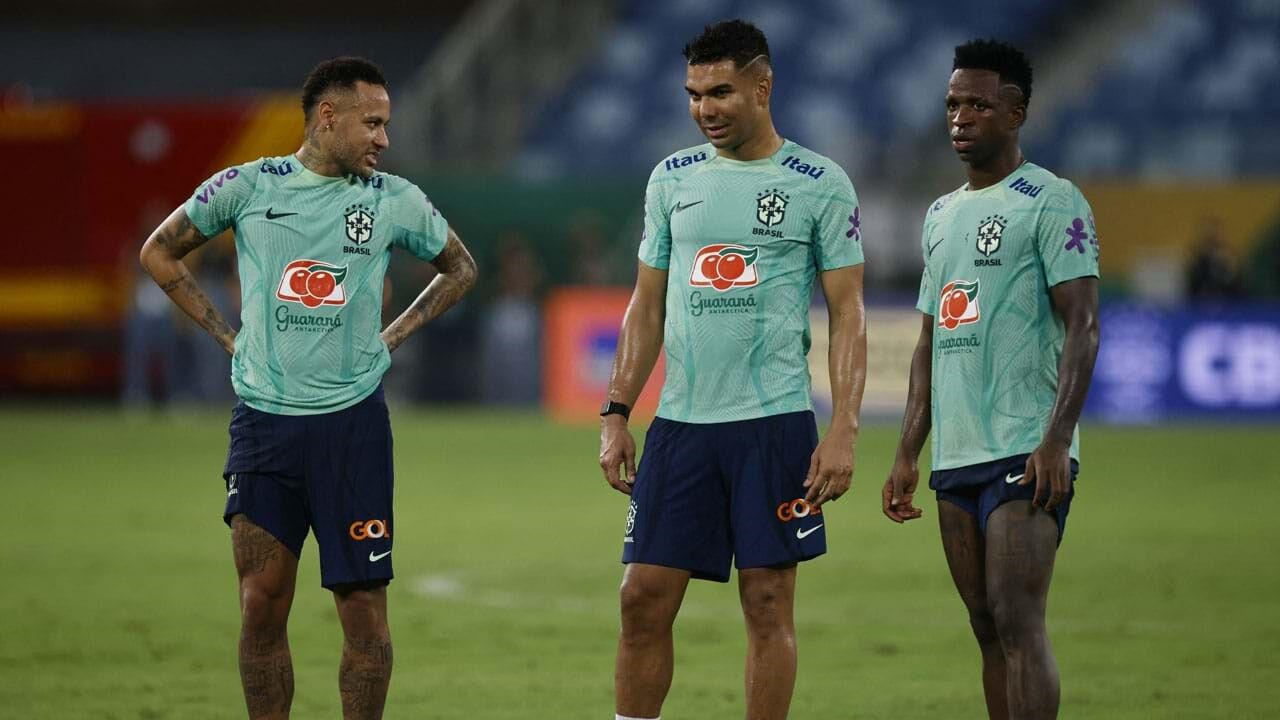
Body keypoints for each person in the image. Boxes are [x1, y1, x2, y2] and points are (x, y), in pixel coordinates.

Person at [139, 57, 477, 719]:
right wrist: (226, 335)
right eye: (372, 123)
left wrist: (393, 337)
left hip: (352, 429)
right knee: (260, 603)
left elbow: (459, 268)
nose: (384, 138)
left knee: (364, 611)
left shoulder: (392, 200)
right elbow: (159, 250)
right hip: (265, 426)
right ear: (328, 116)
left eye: (386, 124)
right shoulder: (247, 185)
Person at [597, 20, 867, 720]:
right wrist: (616, 411)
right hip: (682, 425)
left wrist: (843, 428)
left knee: (767, 601)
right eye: (694, 94)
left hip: (772, 424)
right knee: (641, 597)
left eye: (720, 92)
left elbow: (847, 314)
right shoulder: (672, 178)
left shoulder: (820, 184)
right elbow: (646, 306)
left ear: (762, 86)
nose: (704, 109)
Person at [882, 39, 1100, 719]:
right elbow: (928, 340)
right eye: (953, 104)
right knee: (985, 629)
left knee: (1017, 620)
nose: (960, 117)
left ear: (1016, 112)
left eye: (978, 104)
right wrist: (907, 450)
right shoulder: (940, 215)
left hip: (1025, 447)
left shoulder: (1053, 201)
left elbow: (1084, 324)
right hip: (956, 455)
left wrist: (1055, 439)